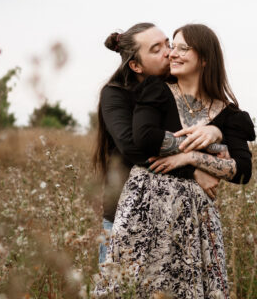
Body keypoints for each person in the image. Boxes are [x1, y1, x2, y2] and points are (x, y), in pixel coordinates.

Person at [93, 23, 255, 299]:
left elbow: (241, 166)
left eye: (173, 45)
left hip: (189, 225)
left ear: (205, 58)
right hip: (129, 214)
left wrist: (210, 136)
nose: (170, 52)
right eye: (161, 48)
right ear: (135, 65)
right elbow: (139, 143)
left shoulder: (218, 109)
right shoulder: (125, 94)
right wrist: (200, 162)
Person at [92, 22, 224, 265]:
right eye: (156, 49)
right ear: (135, 65)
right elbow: (133, 146)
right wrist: (194, 169)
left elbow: (228, 129)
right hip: (124, 216)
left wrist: (215, 132)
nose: (169, 52)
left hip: (175, 219)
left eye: (168, 44)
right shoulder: (115, 94)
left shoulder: (178, 90)